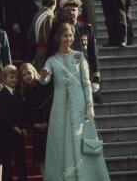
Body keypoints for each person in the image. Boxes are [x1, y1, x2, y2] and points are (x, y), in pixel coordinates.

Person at [39, 22, 110, 180]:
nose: (68, 38)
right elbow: (45, 80)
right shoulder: (51, 59)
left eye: (70, 35)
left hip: (80, 105)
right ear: (58, 37)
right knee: (60, 140)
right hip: (59, 107)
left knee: (80, 139)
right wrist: (43, 75)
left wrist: (90, 106)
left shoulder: (79, 56)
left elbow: (86, 83)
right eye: (65, 35)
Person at [58, 0, 101, 103]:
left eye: (73, 10)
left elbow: (93, 55)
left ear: (78, 12)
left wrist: (96, 78)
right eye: (67, 10)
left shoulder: (87, 28)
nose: (71, 13)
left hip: (83, 73)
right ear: (63, 13)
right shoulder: (57, 30)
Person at [0, 65, 28, 181]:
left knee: (21, 162)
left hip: (19, 134)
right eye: (11, 77)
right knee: (7, 163)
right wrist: (14, 127)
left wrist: (23, 127)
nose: (14, 80)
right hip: (5, 134)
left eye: (16, 77)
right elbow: (2, 115)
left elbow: (23, 113)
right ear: (4, 79)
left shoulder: (19, 94)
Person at [19, 63, 52, 175]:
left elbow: (50, 105)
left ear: (33, 71)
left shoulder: (43, 85)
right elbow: (26, 113)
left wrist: (46, 122)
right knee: (41, 157)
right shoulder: (25, 92)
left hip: (50, 126)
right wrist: (34, 125)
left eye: (28, 73)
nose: (27, 76)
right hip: (37, 129)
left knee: (53, 155)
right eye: (23, 75)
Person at [28, 0, 58, 72]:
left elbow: (30, 35)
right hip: (47, 53)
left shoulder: (38, 14)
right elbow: (50, 38)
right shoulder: (49, 16)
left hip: (38, 51)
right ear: (55, 1)